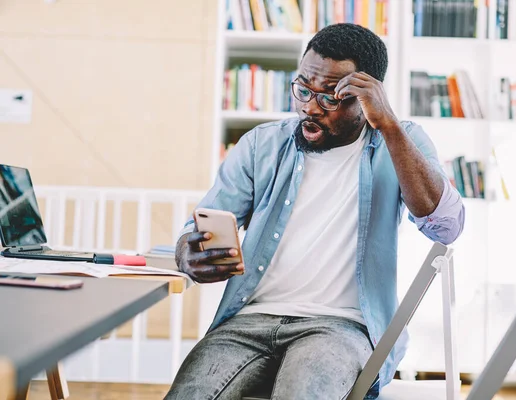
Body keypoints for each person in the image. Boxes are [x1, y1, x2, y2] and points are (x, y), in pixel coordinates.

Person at [165, 23, 465, 400]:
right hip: (248, 322)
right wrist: (186, 250)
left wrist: (387, 123)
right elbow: (198, 226)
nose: (309, 105)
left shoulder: (400, 142)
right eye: (303, 88)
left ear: (366, 98)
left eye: (330, 98)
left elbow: (448, 227)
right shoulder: (262, 145)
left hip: (341, 329)